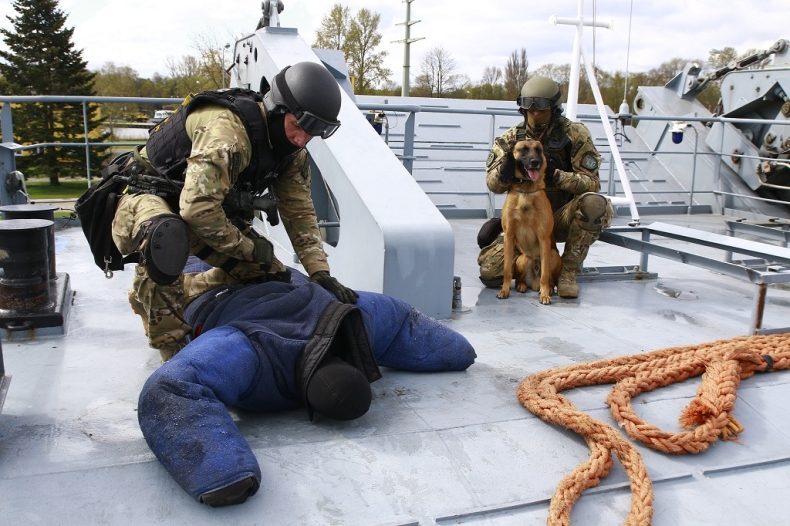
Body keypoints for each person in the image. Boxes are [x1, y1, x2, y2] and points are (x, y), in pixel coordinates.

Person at [137, 260, 477, 507]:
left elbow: (406, 321)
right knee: (161, 264)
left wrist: (225, 473)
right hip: (202, 282)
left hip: (263, 274)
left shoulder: (354, 322)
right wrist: (221, 476)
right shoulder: (249, 350)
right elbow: (171, 387)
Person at [108, 61, 356, 361]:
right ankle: (171, 346)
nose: (302, 139)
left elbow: (299, 213)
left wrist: (319, 273)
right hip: (145, 203)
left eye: (314, 132)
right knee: (166, 238)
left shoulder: (291, 154)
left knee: (268, 275)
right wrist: (251, 247)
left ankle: (156, 293)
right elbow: (197, 210)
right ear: (278, 110)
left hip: (201, 212)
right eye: (297, 126)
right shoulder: (228, 136)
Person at [477, 77, 614, 299]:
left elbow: (592, 182)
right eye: (529, 105)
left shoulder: (574, 134)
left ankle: (566, 273)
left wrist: (556, 175)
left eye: (540, 105)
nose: (535, 111)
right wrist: (505, 171)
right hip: (522, 220)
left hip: (560, 216)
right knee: (489, 274)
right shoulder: (511, 139)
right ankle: (527, 265)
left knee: (595, 204)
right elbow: (493, 185)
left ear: (552, 106)